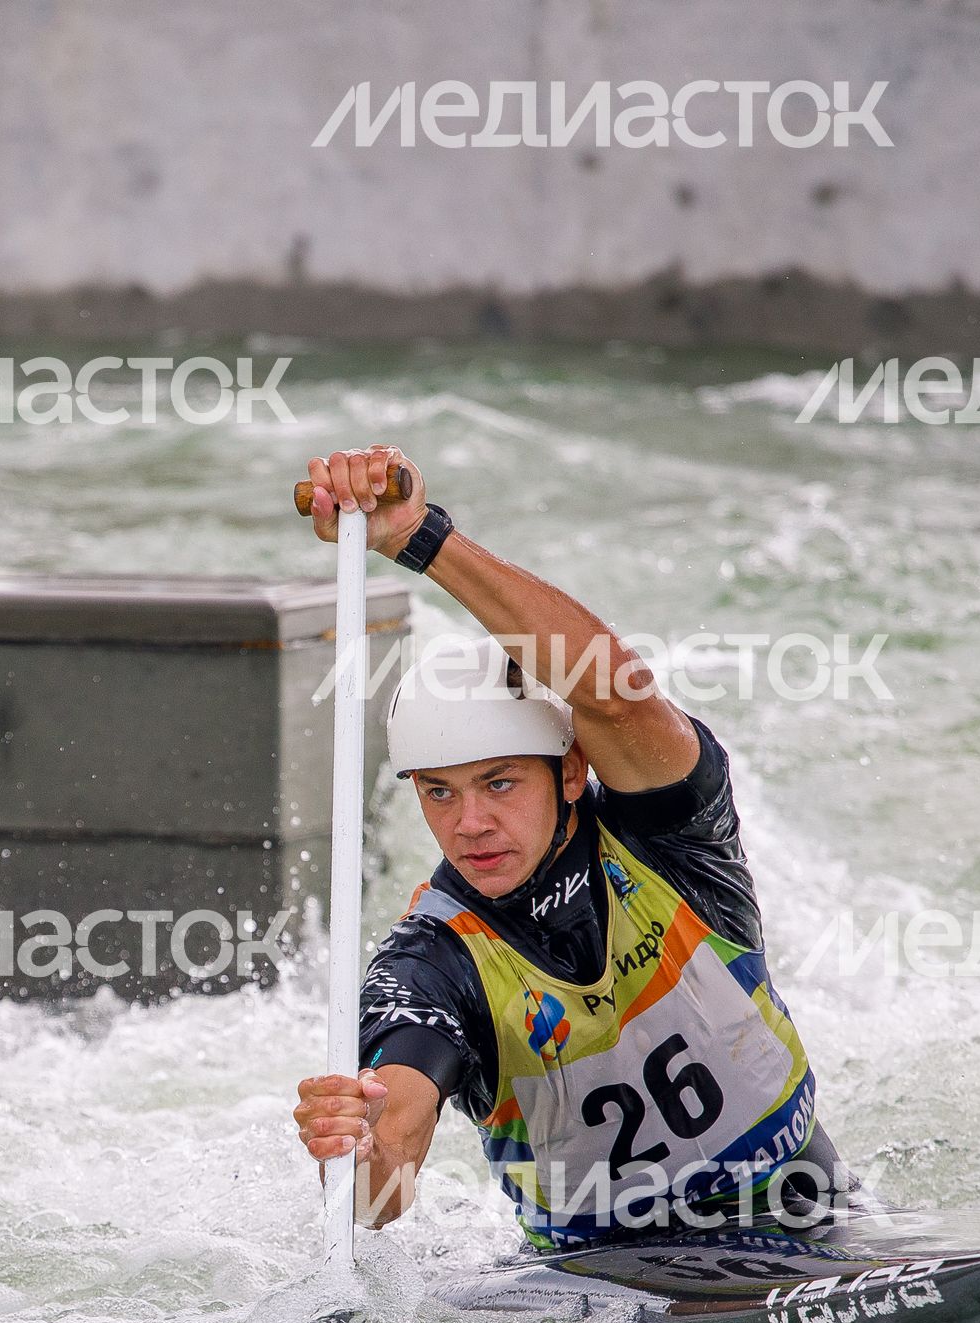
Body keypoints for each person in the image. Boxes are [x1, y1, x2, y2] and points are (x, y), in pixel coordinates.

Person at [288, 445, 842, 1251]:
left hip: (814, 1223)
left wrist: (420, 536)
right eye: (439, 792)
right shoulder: (429, 962)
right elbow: (384, 1190)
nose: (469, 821)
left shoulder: (670, 835)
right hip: (607, 1293)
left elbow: (616, 694)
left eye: (500, 783)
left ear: (572, 771)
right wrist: (360, 1150)